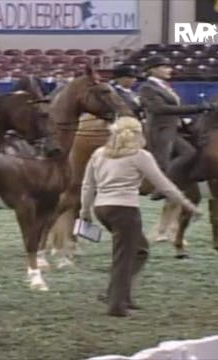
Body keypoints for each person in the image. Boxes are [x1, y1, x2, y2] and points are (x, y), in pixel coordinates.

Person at [79, 117, 202, 317]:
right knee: (125, 256)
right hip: (125, 209)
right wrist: (187, 204)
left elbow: (88, 184)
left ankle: (122, 295)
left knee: (139, 250)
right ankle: (115, 304)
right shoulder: (140, 156)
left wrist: (84, 211)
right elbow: (163, 184)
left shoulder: (99, 154)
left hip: (102, 208)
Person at [138, 55, 214, 200]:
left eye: (169, 67)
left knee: (190, 152)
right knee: (166, 160)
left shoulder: (164, 86)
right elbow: (159, 108)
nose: (169, 70)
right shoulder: (147, 88)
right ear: (152, 70)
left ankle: (176, 181)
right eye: (165, 67)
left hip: (173, 128)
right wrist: (196, 108)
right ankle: (161, 187)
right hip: (160, 129)